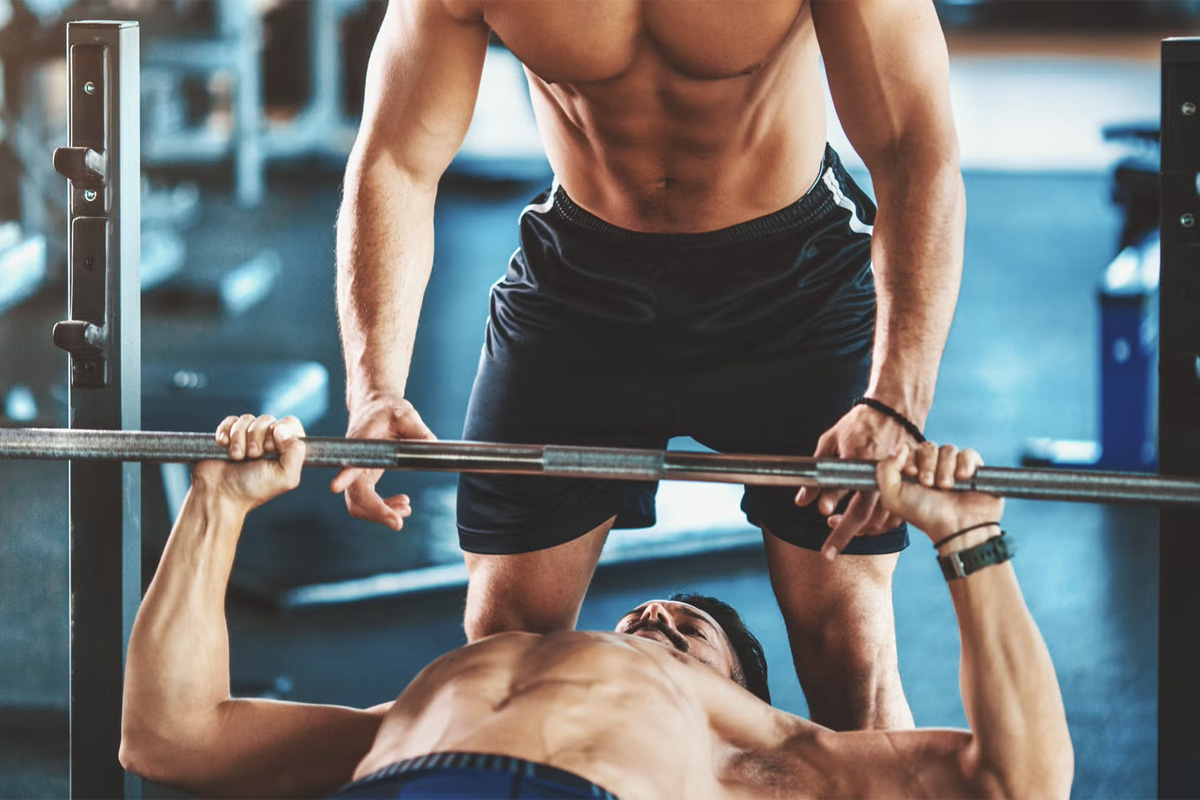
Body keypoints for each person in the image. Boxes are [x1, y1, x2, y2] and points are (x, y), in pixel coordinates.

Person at [332, 0, 964, 731]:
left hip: (797, 290)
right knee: (504, 653)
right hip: (581, 289)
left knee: (849, 653)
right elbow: (396, 159)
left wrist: (895, 402)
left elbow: (914, 147)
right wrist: (375, 385)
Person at [121, 415, 1071, 799]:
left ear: (731, 689)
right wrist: (217, 501)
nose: (650, 620)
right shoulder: (403, 714)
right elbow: (167, 736)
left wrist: (969, 539)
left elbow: (1020, 783)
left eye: (688, 634)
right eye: (640, 619)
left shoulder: (761, 754)